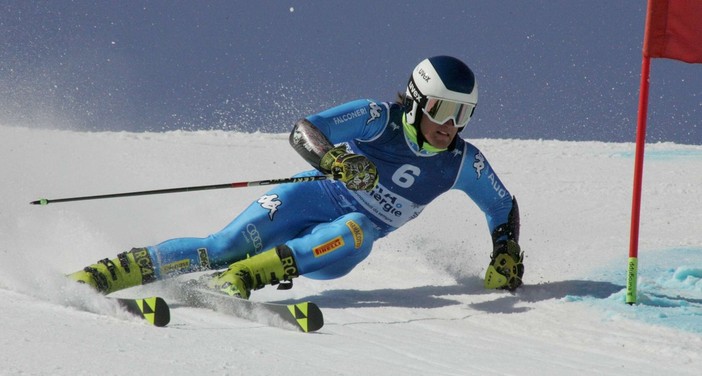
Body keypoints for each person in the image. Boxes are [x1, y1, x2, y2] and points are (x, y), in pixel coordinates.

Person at [68, 55, 524, 299]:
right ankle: (107, 273)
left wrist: (505, 251)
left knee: (359, 226)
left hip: (341, 249)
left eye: (464, 114)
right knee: (223, 246)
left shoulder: (463, 162)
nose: (452, 125)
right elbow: (305, 130)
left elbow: (501, 205)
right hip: (312, 198)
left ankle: (245, 279)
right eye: (444, 109)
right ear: (418, 101)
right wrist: (336, 162)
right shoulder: (378, 117)